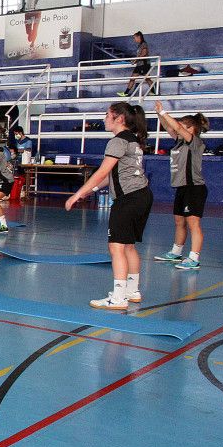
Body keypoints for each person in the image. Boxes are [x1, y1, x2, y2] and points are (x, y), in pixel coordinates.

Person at [65, 102, 152, 310]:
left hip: (128, 199)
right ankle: (132, 291)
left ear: (119, 118)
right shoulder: (133, 140)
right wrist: (91, 190)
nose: (104, 118)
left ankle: (119, 298)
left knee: (116, 247)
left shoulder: (118, 141)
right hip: (142, 196)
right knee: (128, 246)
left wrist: (77, 194)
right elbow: (114, 175)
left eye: (107, 115)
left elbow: (102, 172)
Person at [153, 101, 208, 270]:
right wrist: (158, 114)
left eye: (182, 126)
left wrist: (164, 113)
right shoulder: (179, 142)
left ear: (190, 129)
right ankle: (176, 253)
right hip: (182, 187)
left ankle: (194, 258)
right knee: (179, 222)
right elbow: (169, 127)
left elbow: (175, 126)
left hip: (194, 188)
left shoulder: (195, 142)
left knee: (193, 224)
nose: (178, 128)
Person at [119, 31, 154, 97]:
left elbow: (144, 53)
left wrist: (136, 59)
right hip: (139, 64)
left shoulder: (144, 44)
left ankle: (153, 91)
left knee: (147, 78)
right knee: (132, 78)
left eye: (135, 38)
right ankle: (126, 93)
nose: (134, 39)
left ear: (139, 37)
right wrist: (136, 61)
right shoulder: (140, 45)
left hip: (144, 64)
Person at [7, 124, 34, 199]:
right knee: (16, 175)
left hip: (24, 161)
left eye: (16, 134)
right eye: (15, 134)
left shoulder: (28, 141)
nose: (16, 135)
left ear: (20, 132)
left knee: (25, 176)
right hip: (16, 160)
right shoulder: (16, 141)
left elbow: (28, 150)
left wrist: (18, 150)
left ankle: (27, 191)